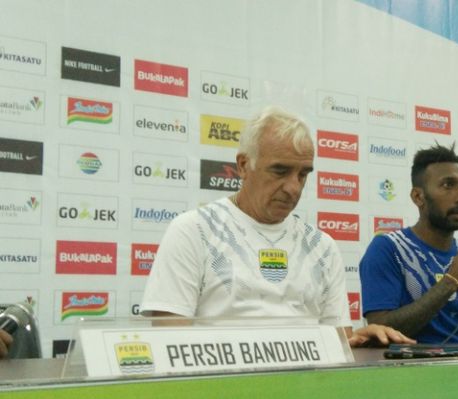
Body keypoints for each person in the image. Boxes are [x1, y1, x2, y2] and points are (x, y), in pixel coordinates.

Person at [140, 106, 413, 348]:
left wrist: (361, 339)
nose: (293, 187)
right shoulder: (194, 230)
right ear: (244, 165)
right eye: (280, 171)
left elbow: (337, 345)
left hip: (305, 395)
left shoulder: (322, 245)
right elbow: (169, 345)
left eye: (303, 174)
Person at [359, 143, 458, 344]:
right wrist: (451, 282)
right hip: (412, 372)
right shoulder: (389, 250)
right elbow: (381, 333)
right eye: (448, 185)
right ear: (418, 197)